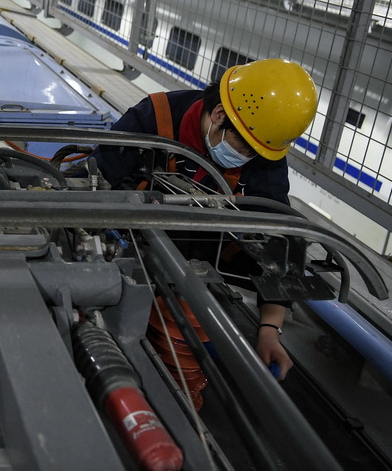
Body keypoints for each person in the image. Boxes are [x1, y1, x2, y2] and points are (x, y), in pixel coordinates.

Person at [92, 58, 318, 380]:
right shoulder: (156, 117)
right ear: (218, 115)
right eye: (243, 145)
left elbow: (278, 241)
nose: (247, 156)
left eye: (256, 152)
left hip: (206, 250)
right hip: (133, 237)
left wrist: (270, 329)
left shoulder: (262, 156)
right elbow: (102, 177)